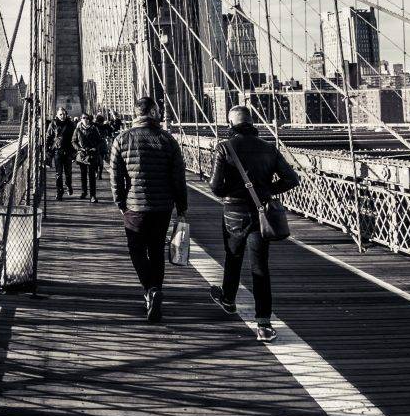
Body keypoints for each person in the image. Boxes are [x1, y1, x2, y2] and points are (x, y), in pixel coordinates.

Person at [207, 104, 300, 342]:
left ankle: (228, 299)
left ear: (231, 124)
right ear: (251, 123)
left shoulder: (224, 148)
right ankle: (264, 324)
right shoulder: (269, 148)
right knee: (260, 266)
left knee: (233, 256)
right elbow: (292, 178)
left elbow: (216, 188)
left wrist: (234, 193)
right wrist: (267, 190)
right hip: (261, 212)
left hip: (234, 213)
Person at [110, 96, 188, 322]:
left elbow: (115, 177)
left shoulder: (122, 139)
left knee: (136, 250)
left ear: (135, 114)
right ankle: (155, 291)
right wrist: (182, 207)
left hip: (135, 206)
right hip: (163, 206)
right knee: (156, 250)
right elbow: (178, 178)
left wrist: (120, 203)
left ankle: (150, 290)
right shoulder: (168, 140)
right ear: (153, 112)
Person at [72, 113, 108, 202]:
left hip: (92, 155)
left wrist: (95, 148)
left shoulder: (94, 129)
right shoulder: (77, 130)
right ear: (81, 119)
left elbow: (100, 141)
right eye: (84, 118)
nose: (86, 119)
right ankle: (84, 192)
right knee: (83, 175)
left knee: (92, 176)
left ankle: (93, 195)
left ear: (89, 120)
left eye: (87, 118)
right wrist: (79, 149)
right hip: (82, 155)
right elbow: (73, 141)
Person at [47, 109, 77, 197]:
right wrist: (47, 150)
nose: (62, 116)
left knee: (68, 173)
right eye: (60, 114)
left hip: (68, 152)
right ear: (57, 115)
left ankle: (68, 185)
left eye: (64, 114)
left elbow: (75, 138)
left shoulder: (71, 124)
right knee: (58, 174)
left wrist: (74, 152)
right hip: (57, 152)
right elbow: (49, 136)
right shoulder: (53, 124)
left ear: (66, 114)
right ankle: (59, 192)